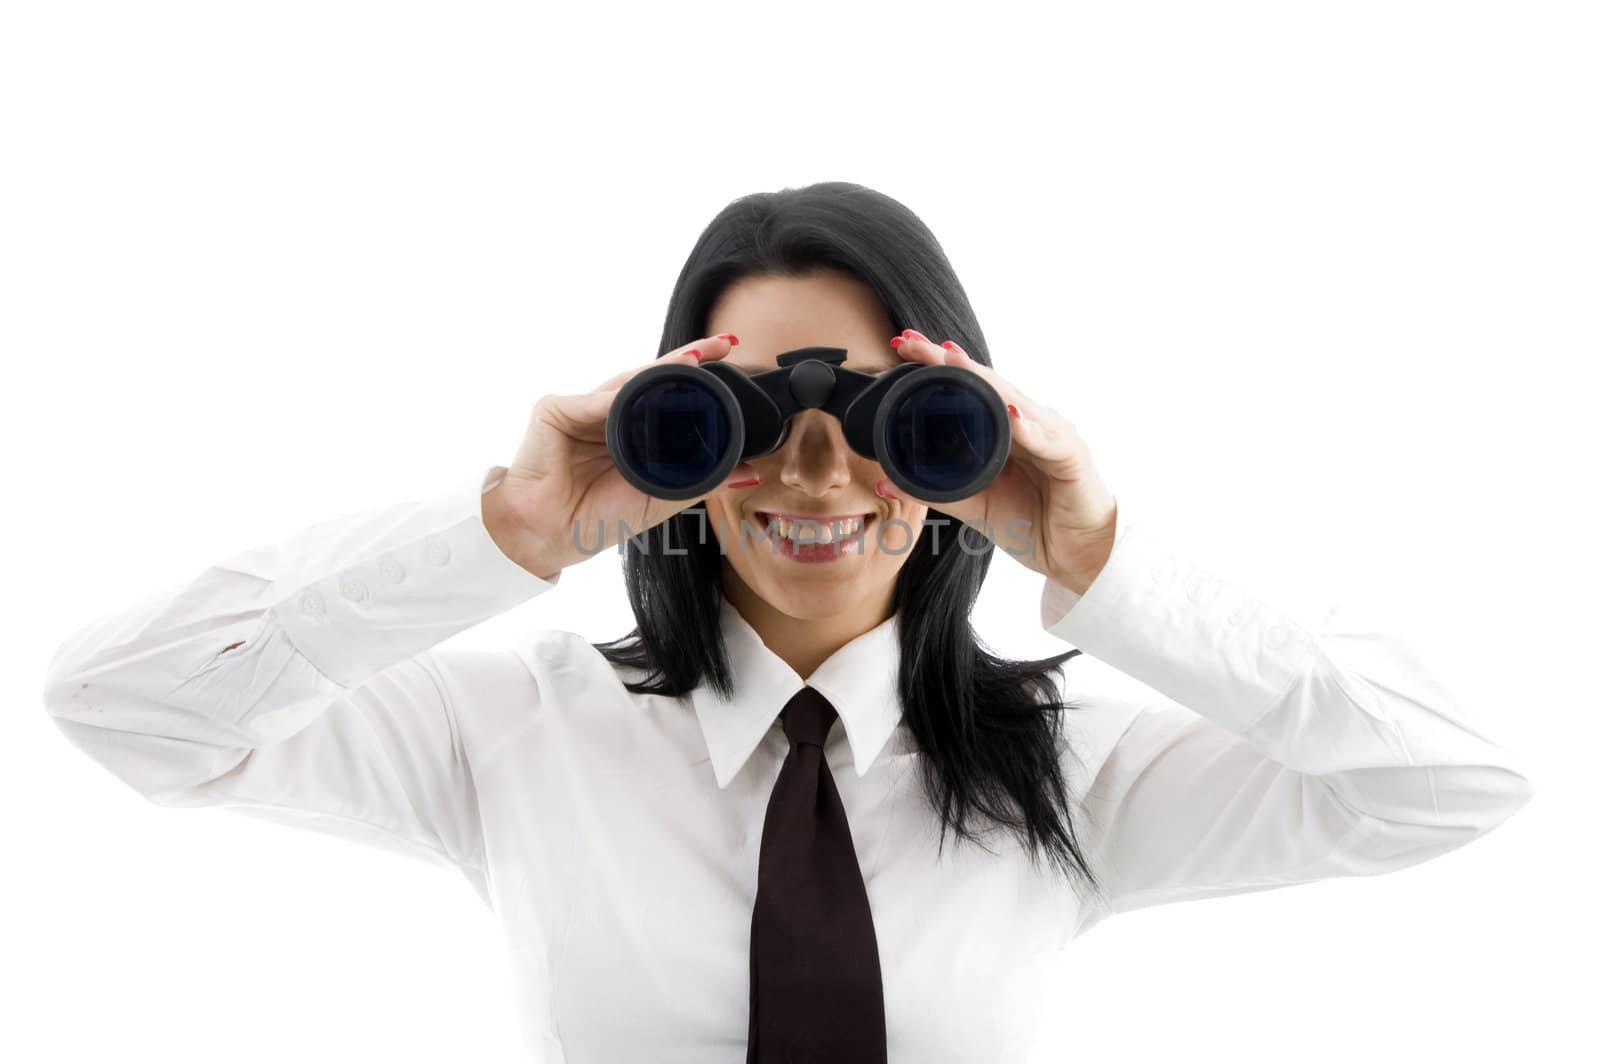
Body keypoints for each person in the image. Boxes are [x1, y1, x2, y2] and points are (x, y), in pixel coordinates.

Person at [40, 182, 1534, 1063]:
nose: (818, 471)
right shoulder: (509, 736)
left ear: (968, 423)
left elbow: (1454, 780)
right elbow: (126, 703)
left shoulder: (1070, 770)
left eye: (889, 410)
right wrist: (504, 530)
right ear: (669, 420)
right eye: (744, 408)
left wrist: (1097, 550)